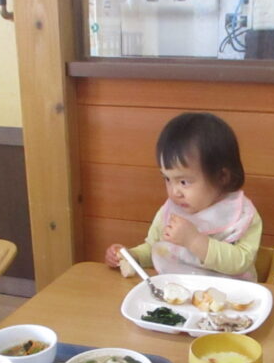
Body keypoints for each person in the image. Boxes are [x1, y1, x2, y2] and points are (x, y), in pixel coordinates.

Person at [105, 112, 262, 281]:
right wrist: (132, 256)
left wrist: (194, 240)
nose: (174, 192)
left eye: (184, 182)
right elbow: (155, 248)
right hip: (180, 295)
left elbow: (241, 261)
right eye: (167, 179)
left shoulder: (242, 215)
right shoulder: (171, 211)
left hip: (232, 298)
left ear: (221, 177)